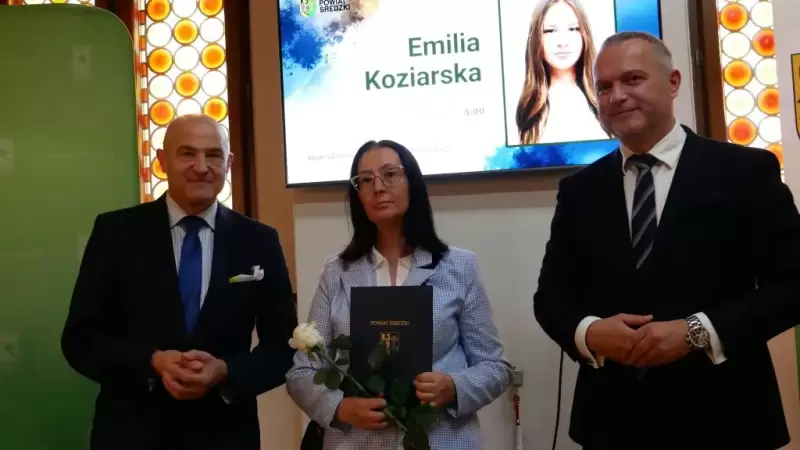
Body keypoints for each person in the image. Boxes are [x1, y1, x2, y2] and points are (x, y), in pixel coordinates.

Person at [533, 31, 800, 449]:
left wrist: (697, 331)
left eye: (633, 79)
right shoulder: (579, 190)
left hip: (726, 417)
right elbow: (551, 298)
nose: (617, 96)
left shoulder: (745, 172)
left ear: (673, 82)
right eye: (604, 87)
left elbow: (793, 285)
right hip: (612, 423)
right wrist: (590, 332)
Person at [61, 114, 297, 450]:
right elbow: (81, 339)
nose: (201, 167)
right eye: (187, 153)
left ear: (228, 164)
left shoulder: (259, 240)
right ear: (162, 161)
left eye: (213, 155)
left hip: (225, 435)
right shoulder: (115, 233)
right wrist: (152, 361)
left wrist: (226, 370)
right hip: (132, 434)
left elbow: (283, 347)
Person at [287, 140, 512, 449]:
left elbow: (496, 366)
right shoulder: (336, 272)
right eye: (366, 180)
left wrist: (455, 388)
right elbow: (302, 372)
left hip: (442, 438)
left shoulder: (459, 266)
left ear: (412, 183)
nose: (378, 187)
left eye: (390, 174)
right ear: (358, 196)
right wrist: (340, 407)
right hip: (358, 442)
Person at [515, 0, 609, 145]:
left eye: (573, 29)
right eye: (550, 31)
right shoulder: (527, 110)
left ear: (584, 34)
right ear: (536, 39)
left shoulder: (607, 98)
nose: (563, 42)